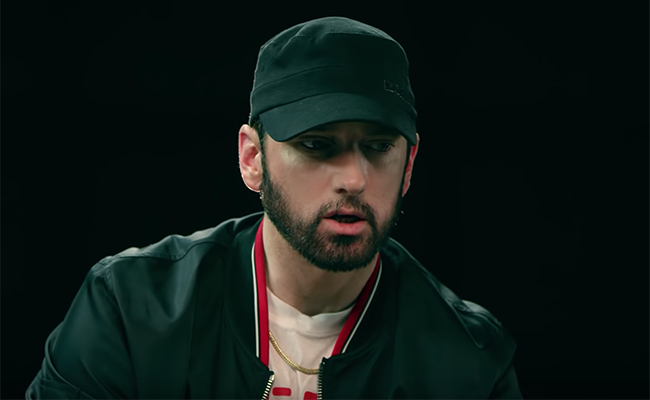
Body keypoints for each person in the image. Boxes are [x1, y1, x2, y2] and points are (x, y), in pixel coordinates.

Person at [26, 16, 524, 400]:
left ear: (409, 166)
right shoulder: (131, 310)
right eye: (317, 145)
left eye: (378, 147)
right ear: (252, 159)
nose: (354, 179)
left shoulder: (469, 359)